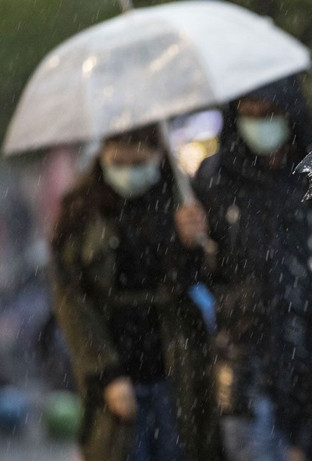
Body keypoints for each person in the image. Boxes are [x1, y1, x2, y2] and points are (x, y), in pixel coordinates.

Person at [191, 75, 312, 461]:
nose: (259, 124)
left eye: (269, 113)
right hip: (247, 364)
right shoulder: (215, 179)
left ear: (290, 113)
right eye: (249, 114)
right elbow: (197, 272)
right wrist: (188, 240)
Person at [51, 125, 225, 461]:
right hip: (114, 361)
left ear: (159, 156)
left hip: (176, 365)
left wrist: (194, 244)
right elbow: (71, 300)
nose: (128, 172)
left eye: (139, 162)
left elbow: (205, 277)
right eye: (119, 161)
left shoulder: (182, 200)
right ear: (102, 156)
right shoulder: (81, 211)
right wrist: (108, 373)